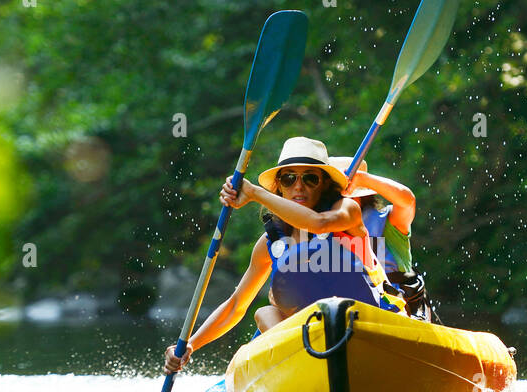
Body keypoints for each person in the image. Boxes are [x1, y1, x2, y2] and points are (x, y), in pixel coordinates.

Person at [164, 137, 400, 373]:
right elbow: (236, 304)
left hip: (365, 322)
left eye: (310, 178)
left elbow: (319, 223)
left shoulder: (347, 211)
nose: (298, 186)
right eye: (289, 178)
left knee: (282, 310)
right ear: (279, 186)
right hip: (307, 342)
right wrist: (190, 345)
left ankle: (312, 366)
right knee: (265, 312)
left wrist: (255, 193)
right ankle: (303, 369)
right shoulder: (270, 242)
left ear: (324, 184)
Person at [330, 156, 439, 322]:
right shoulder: (321, 232)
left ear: (359, 195)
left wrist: (362, 179)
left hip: (399, 311)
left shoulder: (387, 221)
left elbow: (407, 202)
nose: (338, 201)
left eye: (342, 195)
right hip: (348, 315)